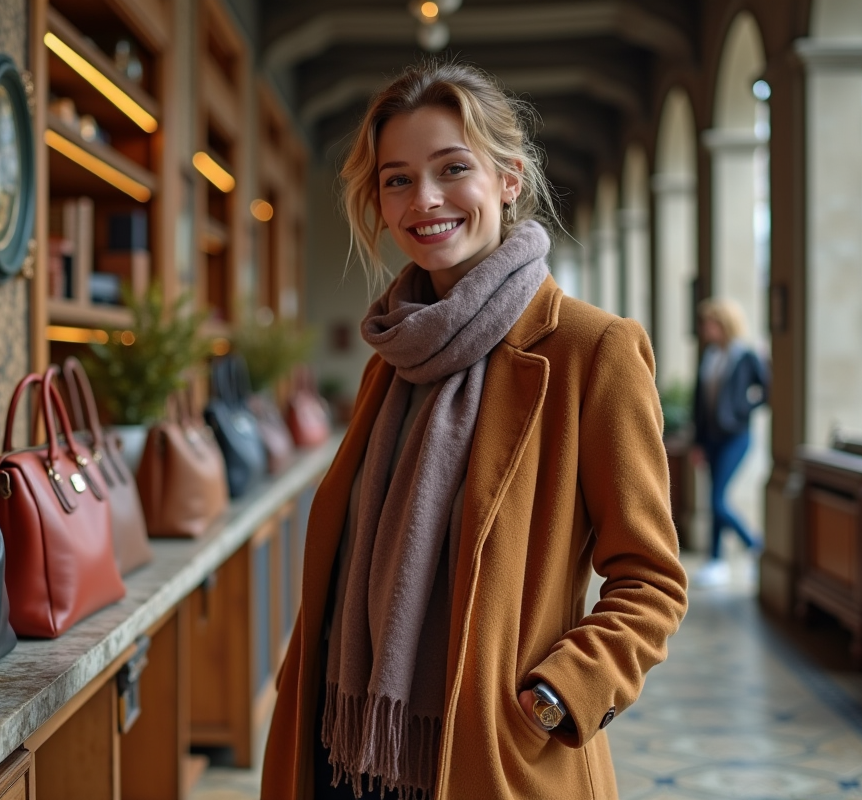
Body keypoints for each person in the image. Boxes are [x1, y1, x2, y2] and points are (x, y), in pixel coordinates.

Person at [261, 61, 687, 800]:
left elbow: (650, 580)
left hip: (494, 756)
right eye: (396, 179)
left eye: (451, 168)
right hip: (345, 748)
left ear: (508, 179)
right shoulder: (391, 359)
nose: (424, 200)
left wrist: (560, 695)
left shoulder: (591, 350)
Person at [690, 297, 769, 588]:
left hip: (736, 437)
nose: (705, 329)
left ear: (724, 324)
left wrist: (740, 411)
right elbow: (698, 402)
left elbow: (766, 391)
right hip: (710, 438)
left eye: (710, 323)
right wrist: (697, 443)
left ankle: (754, 545)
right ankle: (715, 561)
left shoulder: (745, 355)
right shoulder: (710, 355)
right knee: (714, 498)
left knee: (717, 500)